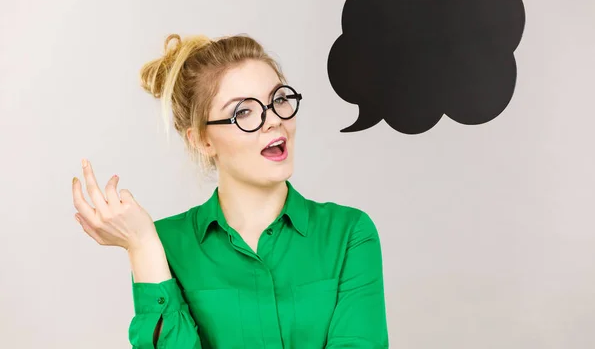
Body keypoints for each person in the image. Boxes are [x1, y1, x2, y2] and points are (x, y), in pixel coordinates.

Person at [71, 33, 388, 348]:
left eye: (278, 100)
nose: (273, 120)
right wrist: (142, 247)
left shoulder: (348, 234)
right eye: (243, 112)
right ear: (202, 140)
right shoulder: (165, 246)